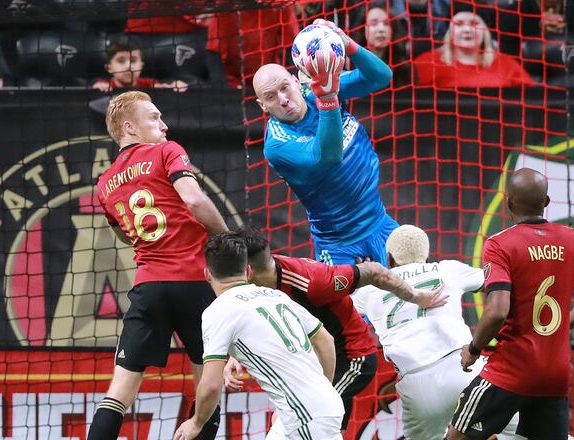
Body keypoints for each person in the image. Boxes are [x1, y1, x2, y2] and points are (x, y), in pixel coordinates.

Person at [88, 91, 229, 440]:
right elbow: (194, 199)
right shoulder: (167, 151)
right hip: (195, 284)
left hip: (149, 286)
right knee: (207, 385)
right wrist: (229, 239)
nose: (164, 125)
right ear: (129, 127)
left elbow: (124, 233)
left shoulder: (104, 183)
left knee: (120, 391)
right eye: (154, 118)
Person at [223, 226, 448, 431]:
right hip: (318, 359)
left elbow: (374, 271)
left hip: (351, 359)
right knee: (317, 428)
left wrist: (417, 297)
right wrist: (237, 357)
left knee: (300, 420)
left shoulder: (313, 282)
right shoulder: (260, 284)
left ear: (248, 270)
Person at [447, 168, 574, 440]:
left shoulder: (499, 245)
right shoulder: (573, 240)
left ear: (508, 204)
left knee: (457, 436)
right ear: (546, 202)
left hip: (511, 370)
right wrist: (562, 324)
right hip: (555, 375)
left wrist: (473, 349)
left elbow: (497, 311)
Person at [351, 224, 519, 440]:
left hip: (416, 384)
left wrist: (360, 280)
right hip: (464, 367)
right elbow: (496, 283)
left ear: (389, 258)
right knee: (533, 429)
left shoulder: (370, 289)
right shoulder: (448, 269)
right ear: (426, 255)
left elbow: (340, 312)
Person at [253, 19, 398, 267]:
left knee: (418, 294)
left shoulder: (314, 91)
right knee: (351, 307)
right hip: (340, 246)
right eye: (271, 97)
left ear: (296, 81)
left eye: (285, 88)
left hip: (381, 223)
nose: (284, 99)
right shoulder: (277, 145)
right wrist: (329, 97)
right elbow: (329, 156)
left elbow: (381, 78)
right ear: (262, 106)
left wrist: (347, 43)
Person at [174, 232, 344, 440]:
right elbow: (325, 339)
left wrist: (196, 422)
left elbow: (210, 384)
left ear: (207, 274)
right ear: (247, 271)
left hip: (304, 414)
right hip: (314, 407)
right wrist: (320, 393)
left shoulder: (217, 311)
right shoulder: (276, 296)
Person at [413, 11, 533, 88]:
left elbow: (530, 99)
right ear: (449, 31)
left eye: (475, 23)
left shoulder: (507, 64)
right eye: (459, 24)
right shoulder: (426, 62)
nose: (467, 29)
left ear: (485, 31)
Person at [92, 35, 188, 92]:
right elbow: (97, 88)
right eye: (121, 61)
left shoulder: (149, 84)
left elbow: (165, 87)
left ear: (141, 66)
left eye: (133, 60)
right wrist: (97, 90)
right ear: (109, 68)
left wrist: (175, 85)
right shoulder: (106, 86)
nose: (128, 66)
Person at [356, 3, 412, 87]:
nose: (381, 29)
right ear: (363, 29)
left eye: (386, 24)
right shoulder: (350, 64)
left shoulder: (404, 67)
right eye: (374, 24)